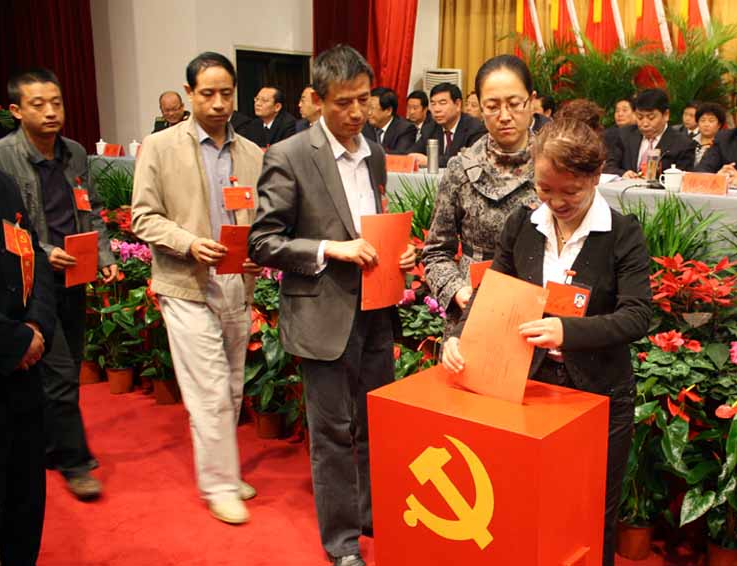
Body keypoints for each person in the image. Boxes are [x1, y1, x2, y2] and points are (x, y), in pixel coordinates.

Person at [442, 118, 652, 566]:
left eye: (570, 192)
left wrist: (566, 332)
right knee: (528, 507)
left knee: (590, 513)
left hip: (598, 396)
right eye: (544, 189)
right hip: (531, 388)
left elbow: (637, 315)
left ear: (595, 177)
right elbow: (492, 291)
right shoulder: (523, 224)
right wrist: (459, 337)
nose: (556, 202)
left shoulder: (621, 234)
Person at [248, 45, 416, 566]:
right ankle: (342, 544)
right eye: (344, 102)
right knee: (332, 434)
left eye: (364, 99)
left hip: (376, 308)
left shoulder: (376, 154)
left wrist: (398, 251)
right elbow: (263, 242)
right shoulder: (290, 155)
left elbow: (372, 222)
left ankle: (369, 514)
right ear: (318, 100)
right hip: (322, 314)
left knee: (373, 424)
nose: (357, 112)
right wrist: (329, 249)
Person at [131, 52, 264, 524]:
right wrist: (188, 243)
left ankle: (224, 468)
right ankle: (219, 484)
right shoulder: (160, 146)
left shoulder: (252, 153)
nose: (218, 103)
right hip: (185, 282)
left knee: (231, 386)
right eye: (207, 93)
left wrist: (259, 251)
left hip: (236, 283)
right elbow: (143, 217)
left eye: (226, 93)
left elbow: (261, 219)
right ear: (189, 93)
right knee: (208, 387)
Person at [0, 67, 117, 501]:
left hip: (76, 274)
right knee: (62, 372)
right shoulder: (3, 157)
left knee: (68, 366)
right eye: (38, 105)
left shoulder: (75, 153)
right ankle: (74, 460)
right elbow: (9, 228)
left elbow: (91, 208)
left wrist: (104, 255)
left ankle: (50, 445)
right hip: (34, 283)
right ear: (16, 111)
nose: (51, 112)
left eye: (57, 103)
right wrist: (46, 252)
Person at [422, 54, 541, 335]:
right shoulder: (462, 168)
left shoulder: (555, 165)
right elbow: (436, 252)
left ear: (532, 101)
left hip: (538, 311)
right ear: (479, 107)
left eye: (514, 104)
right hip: (473, 309)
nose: (504, 116)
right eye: (492, 106)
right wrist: (456, 290)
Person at [0, 168, 55, 566]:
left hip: (22, 379)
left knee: (25, 504)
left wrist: (36, 325)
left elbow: (34, 254)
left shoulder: (3, 182)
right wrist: (13, 341)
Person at [604, 88, 696, 178]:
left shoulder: (683, 144)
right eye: (640, 117)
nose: (645, 123)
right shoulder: (624, 135)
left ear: (666, 115)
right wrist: (623, 174)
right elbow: (609, 166)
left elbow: (683, 178)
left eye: (651, 118)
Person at [408, 82, 486, 168]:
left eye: (442, 103)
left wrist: (432, 161)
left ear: (458, 105)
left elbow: (471, 161)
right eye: (433, 104)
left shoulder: (475, 128)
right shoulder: (430, 128)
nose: (436, 109)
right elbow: (412, 154)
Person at [363, 87, 417, 154]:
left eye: (372, 108)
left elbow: (400, 155)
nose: (369, 113)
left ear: (388, 111)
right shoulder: (363, 125)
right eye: (368, 107)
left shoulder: (405, 129)